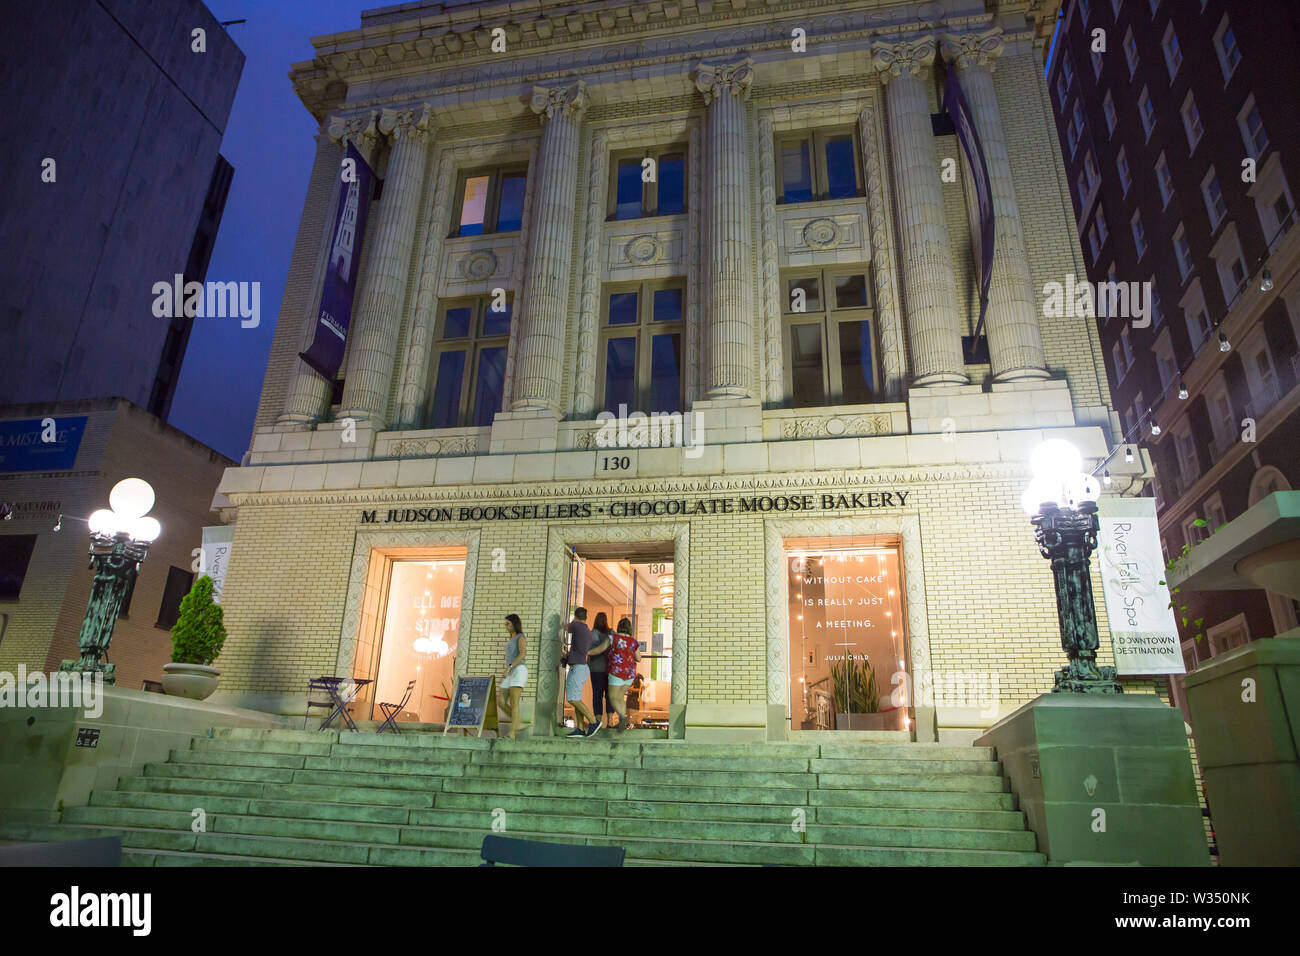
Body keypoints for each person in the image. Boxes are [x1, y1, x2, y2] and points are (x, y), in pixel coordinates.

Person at [564, 607, 601, 738]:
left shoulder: (578, 626)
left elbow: (566, 627)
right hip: (582, 667)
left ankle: (593, 721)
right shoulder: (587, 631)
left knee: (572, 698)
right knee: (576, 698)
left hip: (578, 668)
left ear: (576, 617)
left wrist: (571, 620)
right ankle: (580, 728)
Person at [605, 617, 642, 732]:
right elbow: (638, 658)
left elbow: (602, 650)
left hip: (616, 671)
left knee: (612, 698)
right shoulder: (633, 641)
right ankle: (622, 722)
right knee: (620, 698)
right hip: (630, 674)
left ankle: (622, 718)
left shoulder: (613, 638)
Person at [499, 614, 528, 740]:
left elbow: (522, 654)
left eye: (508, 624)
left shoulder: (520, 637)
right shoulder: (511, 638)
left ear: (514, 624)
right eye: (505, 624)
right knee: (500, 701)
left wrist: (509, 667)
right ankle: (517, 723)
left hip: (519, 670)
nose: (506, 626)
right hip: (510, 672)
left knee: (514, 703)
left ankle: (512, 733)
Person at [587, 612, 612, 726]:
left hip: (596, 668)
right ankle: (610, 721)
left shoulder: (593, 634)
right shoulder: (611, 633)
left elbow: (590, 649)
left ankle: (598, 722)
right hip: (609, 668)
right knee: (609, 695)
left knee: (597, 694)